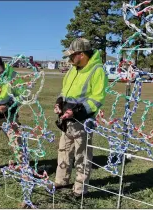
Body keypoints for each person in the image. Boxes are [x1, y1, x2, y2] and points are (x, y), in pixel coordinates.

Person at [53, 38, 108, 197]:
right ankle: (61, 180)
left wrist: (76, 112)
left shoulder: (97, 70)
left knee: (82, 156)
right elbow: (65, 91)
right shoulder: (73, 69)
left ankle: (80, 189)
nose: (69, 58)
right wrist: (59, 103)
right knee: (63, 150)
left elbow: (97, 99)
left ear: (81, 54)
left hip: (82, 121)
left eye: (71, 55)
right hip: (66, 121)